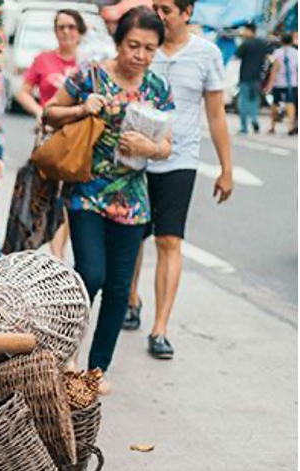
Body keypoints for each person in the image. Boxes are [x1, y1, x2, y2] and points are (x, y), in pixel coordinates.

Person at [45, 7, 174, 393]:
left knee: (119, 290)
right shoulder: (90, 75)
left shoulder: (157, 88)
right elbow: (50, 112)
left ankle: (96, 370)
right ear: (119, 42)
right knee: (91, 275)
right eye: (133, 45)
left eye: (150, 49)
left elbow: (168, 146)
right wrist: (83, 108)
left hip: (132, 201)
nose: (140, 55)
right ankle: (67, 354)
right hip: (87, 193)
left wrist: (149, 147)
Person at [123, 0, 234, 361]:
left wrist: (226, 168)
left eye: (167, 9)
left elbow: (216, 115)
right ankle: (131, 299)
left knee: (169, 240)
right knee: (133, 234)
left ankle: (160, 328)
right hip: (135, 158)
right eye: (155, 7)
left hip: (179, 159)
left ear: (187, 13)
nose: (159, 15)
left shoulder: (206, 54)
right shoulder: (145, 49)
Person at [15, 9, 89, 261]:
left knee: (68, 194)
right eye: (60, 27)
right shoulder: (43, 60)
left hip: (76, 138)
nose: (66, 32)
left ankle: (58, 253)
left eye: (71, 27)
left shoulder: (88, 66)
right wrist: (40, 111)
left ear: (80, 32)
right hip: (48, 135)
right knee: (43, 191)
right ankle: (38, 243)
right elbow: (22, 91)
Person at [235, 23, 270, 135]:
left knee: (243, 101)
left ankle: (244, 127)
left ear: (250, 31)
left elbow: (237, 56)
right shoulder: (262, 43)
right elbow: (267, 58)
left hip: (245, 76)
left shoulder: (245, 43)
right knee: (255, 101)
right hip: (257, 77)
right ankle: (254, 119)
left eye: (245, 30)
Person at [266, 33, 298, 135]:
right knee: (290, 103)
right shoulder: (296, 53)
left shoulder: (277, 52)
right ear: (291, 41)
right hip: (292, 83)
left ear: (282, 41)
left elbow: (274, 69)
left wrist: (270, 83)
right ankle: (290, 127)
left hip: (278, 82)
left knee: (275, 104)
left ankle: (272, 126)